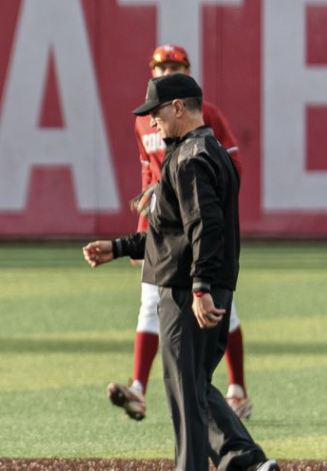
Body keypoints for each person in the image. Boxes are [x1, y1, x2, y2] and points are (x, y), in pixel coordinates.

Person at [83, 72, 279, 471]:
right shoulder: (208, 153)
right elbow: (167, 235)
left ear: (178, 108)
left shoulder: (190, 158)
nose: (151, 123)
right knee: (190, 386)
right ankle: (244, 467)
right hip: (204, 286)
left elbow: (203, 229)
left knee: (182, 386)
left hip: (187, 291)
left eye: (155, 113)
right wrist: (117, 248)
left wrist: (200, 287)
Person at [108, 44, 252, 423]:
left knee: (222, 307)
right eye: (160, 66)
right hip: (163, 227)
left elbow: (232, 164)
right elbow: (147, 175)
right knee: (150, 303)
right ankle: (138, 389)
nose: (166, 70)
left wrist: (197, 194)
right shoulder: (144, 121)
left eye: (174, 65)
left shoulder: (206, 115)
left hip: (198, 219)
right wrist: (142, 232)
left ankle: (236, 388)